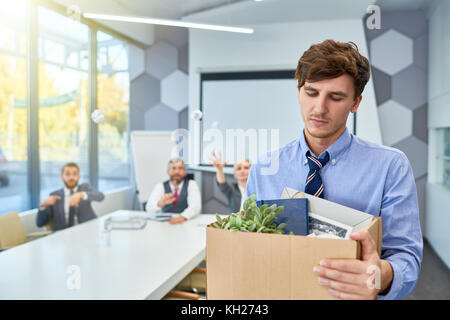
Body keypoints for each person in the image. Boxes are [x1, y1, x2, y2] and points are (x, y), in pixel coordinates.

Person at [245, 39, 422, 300]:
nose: (319, 108)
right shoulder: (263, 168)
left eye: (336, 97)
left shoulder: (391, 166)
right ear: (298, 92)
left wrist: (379, 276)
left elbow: (406, 257)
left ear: (356, 103)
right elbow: (248, 242)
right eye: (311, 92)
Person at [36, 162, 105, 231]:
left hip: (88, 231)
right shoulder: (54, 196)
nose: (71, 177)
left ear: (79, 176)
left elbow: (101, 196)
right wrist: (43, 205)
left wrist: (81, 194)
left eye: (74, 174)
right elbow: (40, 224)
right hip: (64, 235)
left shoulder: (84, 188)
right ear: (62, 177)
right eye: (67, 174)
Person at [146, 157, 201, 224]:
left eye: (180, 168)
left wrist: (181, 217)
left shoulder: (192, 184)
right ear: (168, 171)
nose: (177, 172)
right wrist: (160, 203)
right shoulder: (160, 186)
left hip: (186, 221)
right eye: (173, 168)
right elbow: (148, 208)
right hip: (166, 223)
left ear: (185, 172)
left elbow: (195, 206)